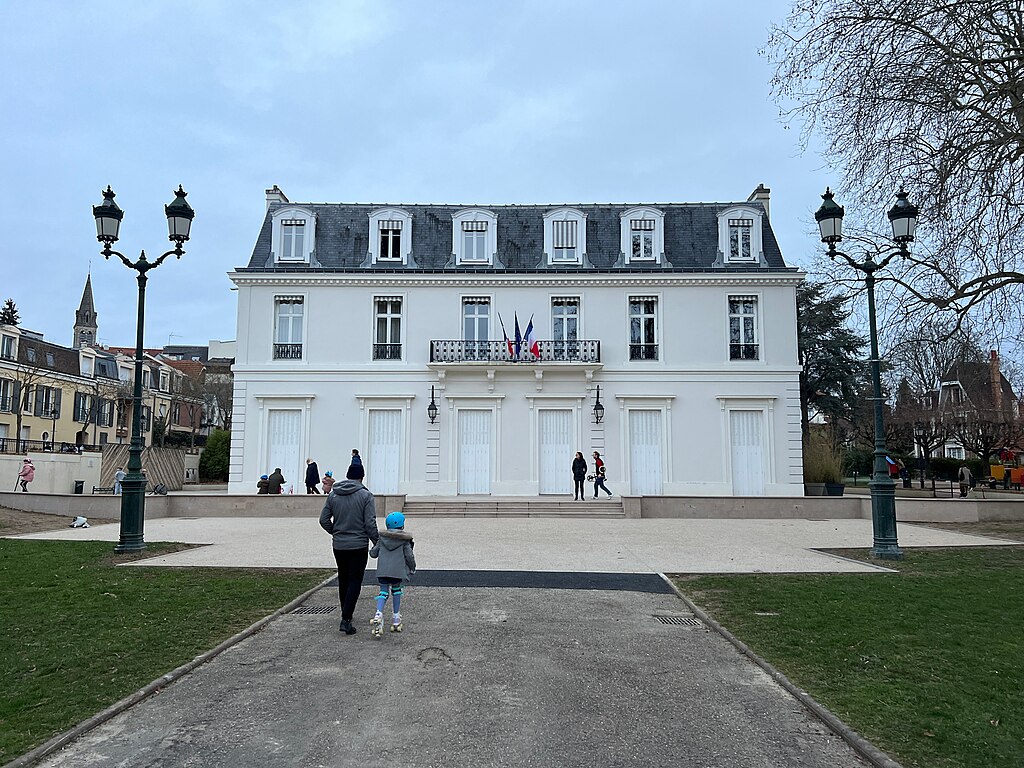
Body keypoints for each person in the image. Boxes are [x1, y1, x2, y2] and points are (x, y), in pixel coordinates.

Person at [319, 464, 379, 635]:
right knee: (355, 580)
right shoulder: (366, 496)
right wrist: (377, 542)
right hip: (358, 544)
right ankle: (346, 618)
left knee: (343, 578)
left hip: (339, 544)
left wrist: (336, 532)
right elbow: (370, 523)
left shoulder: (333, 495)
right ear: (362, 477)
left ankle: (346, 613)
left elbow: (323, 520)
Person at [368, 511, 416, 637]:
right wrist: (412, 567)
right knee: (396, 591)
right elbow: (409, 556)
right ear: (402, 526)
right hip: (397, 572)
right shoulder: (405, 541)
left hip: (383, 571)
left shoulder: (382, 538)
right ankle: (395, 618)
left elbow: (374, 553)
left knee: (383, 592)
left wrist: (371, 550)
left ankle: (378, 613)